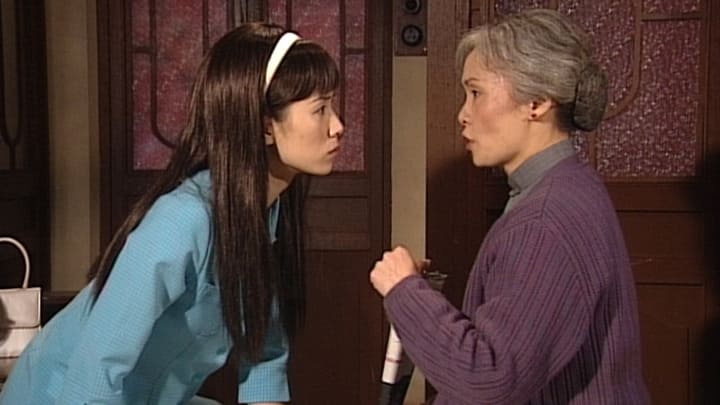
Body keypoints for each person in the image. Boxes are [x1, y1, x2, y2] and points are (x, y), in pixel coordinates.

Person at [0, 22, 343, 404]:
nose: (338, 126)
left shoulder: (268, 217)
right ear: (265, 125)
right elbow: (96, 368)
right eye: (321, 109)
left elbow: (264, 355)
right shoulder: (181, 221)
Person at [370, 8, 649, 404]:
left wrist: (405, 291)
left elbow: (491, 378)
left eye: (476, 93)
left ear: (536, 101)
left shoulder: (546, 220)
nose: (462, 115)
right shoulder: (566, 187)